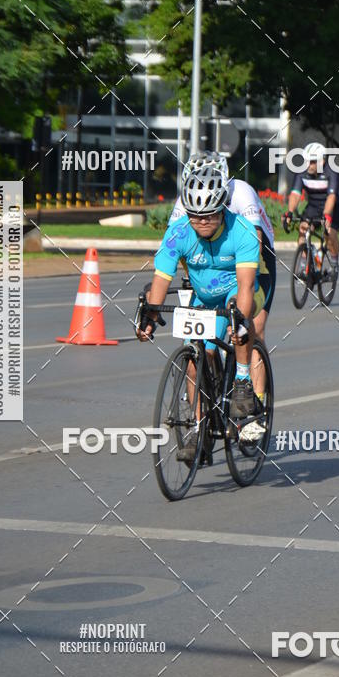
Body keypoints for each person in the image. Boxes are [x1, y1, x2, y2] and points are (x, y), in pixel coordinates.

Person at [137, 164, 270, 461]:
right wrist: (150, 316)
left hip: (240, 289)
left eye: (209, 214)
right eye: (196, 215)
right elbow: (162, 278)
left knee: (240, 319)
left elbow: (247, 288)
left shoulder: (244, 231)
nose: (202, 221)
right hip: (203, 296)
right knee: (197, 357)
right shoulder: (179, 232)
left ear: (222, 206)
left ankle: (243, 381)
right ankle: (198, 429)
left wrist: (239, 317)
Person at [170, 153, 276, 395]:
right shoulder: (187, 198)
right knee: (199, 328)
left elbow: (256, 243)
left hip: (256, 256)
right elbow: (174, 245)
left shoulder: (241, 192)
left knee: (252, 326)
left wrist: (240, 300)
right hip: (213, 260)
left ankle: (253, 395)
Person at [282, 142, 339, 272]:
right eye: (306, 160)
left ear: (321, 161)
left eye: (312, 161)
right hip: (314, 205)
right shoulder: (302, 171)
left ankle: (334, 263)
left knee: (330, 234)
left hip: (333, 206)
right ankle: (304, 264)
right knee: (303, 229)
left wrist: (327, 215)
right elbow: (295, 194)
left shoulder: (331, 171)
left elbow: (331, 197)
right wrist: (289, 212)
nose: (308, 164)